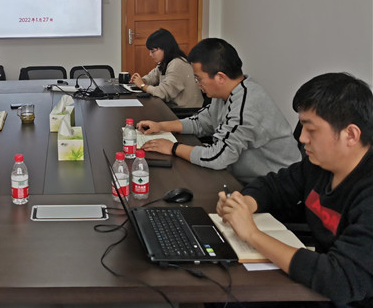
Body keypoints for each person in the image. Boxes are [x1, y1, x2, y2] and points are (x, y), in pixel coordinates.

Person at [216, 73, 373, 307]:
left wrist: (252, 234)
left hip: (349, 297)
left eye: (311, 129)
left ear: (350, 135)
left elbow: (339, 279)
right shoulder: (319, 165)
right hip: (316, 281)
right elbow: (275, 185)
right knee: (223, 291)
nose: (302, 138)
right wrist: (243, 203)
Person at [137, 37, 300, 183]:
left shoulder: (247, 105)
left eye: (198, 78)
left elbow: (218, 157)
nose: (197, 84)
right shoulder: (225, 93)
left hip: (278, 186)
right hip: (242, 176)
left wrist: (172, 148)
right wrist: (161, 126)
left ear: (220, 77)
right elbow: (201, 122)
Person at [130, 28, 204, 108]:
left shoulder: (177, 64)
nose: (150, 55)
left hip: (185, 111)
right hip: (173, 107)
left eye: (153, 51)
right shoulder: (165, 62)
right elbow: (152, 77)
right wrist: (141, 80)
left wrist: (142, 85)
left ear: (165, 48)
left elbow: (163, 93)